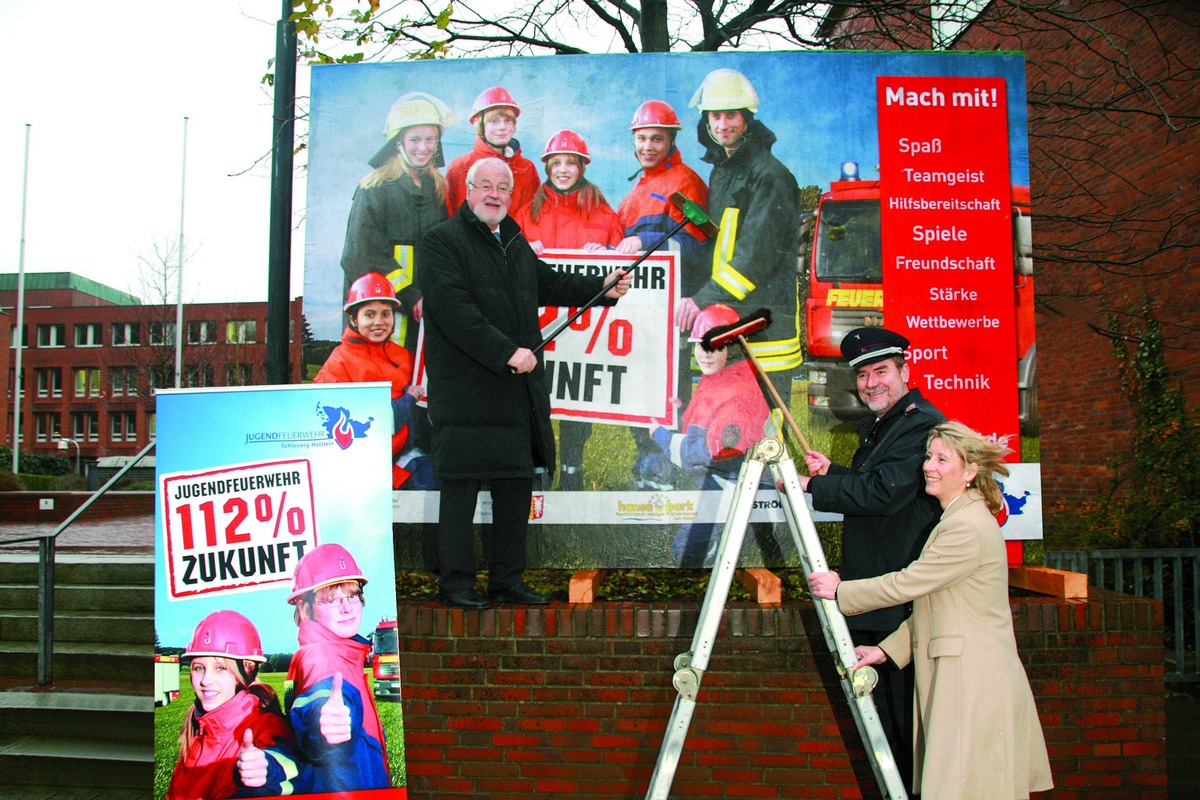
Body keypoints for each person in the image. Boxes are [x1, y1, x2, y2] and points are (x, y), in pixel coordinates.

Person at [417, 157, 632, 609]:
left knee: (515, 488)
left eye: (502, 187)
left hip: (516, 391)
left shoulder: (513, 239)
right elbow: (455, 312)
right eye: (485, 186)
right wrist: (505, 353)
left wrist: (603, 287)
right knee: (460, 488)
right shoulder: (441, 242)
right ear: (468, 192)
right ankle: (456, 585)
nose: (494, 194)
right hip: (467, 392)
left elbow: (548, 283)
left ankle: (506, 581)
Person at [808, 422, 1053, 799]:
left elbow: (910, 582)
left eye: (942, 459)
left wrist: (842, 591)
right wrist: (887, 650)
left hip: (973, 679)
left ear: (970, 471)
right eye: (928, 456)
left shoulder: (965, 526)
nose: (928, 466)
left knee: (965, 786)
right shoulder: (957, 517)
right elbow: (934, 601)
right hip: (965, 674)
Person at [797, 326, 946, 793]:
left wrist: (812, 487)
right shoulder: (889, 424)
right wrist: (834, 473)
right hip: (876, 600)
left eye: (881, 371)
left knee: (902, 736)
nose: (870, 383)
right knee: (883, 733)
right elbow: (881, 486)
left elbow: (884, 492)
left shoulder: (920, 424)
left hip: (896, 609)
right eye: (862, 375)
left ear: (906, 370)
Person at [512, 130, 625, 491]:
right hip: (538, 323)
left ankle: (573, 468)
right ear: (546, 166)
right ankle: (537, 466)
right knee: (534, 396)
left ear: (582, 166)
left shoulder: (603, 211)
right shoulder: (526, 211)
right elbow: (504, 253)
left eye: (570, 162)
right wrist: (526, 249)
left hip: (585, 324)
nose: (563, 170)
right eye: (556, 163)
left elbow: (623, 261)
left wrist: (608, 254)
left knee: (578, 394)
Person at [689, 68, 802, 405]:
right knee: (732, 435)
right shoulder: (723, 171)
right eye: (716, 115)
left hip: (766, 332)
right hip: (733, 325)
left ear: (748, 119)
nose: (723, 124)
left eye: (732, 115)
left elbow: (754, 258)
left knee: (768, 441)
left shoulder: (772, 176)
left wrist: (700, 301)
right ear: (706, 121)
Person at [615, 99, 712, 466]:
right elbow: (621, 246)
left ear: (671, 140)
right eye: (642, 139)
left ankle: (668, 467)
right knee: (638, 390)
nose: (648, 147)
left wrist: (647, 243)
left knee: (669, 393)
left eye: (657, 139)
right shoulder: (636, 191)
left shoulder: (686, 182)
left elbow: (700, 244)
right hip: (641, 311)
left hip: (671, 312)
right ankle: (647, 465)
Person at [339, 91, 453, 354]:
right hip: (383, 315)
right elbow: (360, 255)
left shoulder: (436, 188)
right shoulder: (374, 188)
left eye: (430, 139)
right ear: (398, 141)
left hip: (423, 314)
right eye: (415, 139)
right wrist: (411, 295)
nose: (423, 147)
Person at [166, 610, 305, 799]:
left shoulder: (265, 725)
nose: (206, 680)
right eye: (199, 668)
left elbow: (292, 763)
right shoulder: (197, 728)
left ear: (247, 670)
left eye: (220, 668)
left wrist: (267, 765)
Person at [285, 544, 389, 792]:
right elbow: (321, 699)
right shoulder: (321, 657)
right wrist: (325, 728)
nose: (347, 608)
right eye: (331, 600)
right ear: (306, 608)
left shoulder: (341, 651)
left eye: (352, 596)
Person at [313, 272, 431, 489]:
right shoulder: (338, 363)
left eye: (386, 314)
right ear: (353, 319)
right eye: (369, 314)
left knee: (435, 476)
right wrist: (407, 401)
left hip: (399, 460)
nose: (379, 322)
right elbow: (341, 427)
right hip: (356, 466)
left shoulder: (404, 357)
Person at [444, 86, 540, 215]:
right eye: (494, 121)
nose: (502, 127)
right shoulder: (459, 168)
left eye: (508, 121)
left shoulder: (527, 168)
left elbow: (535, 217)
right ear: (481, 126)